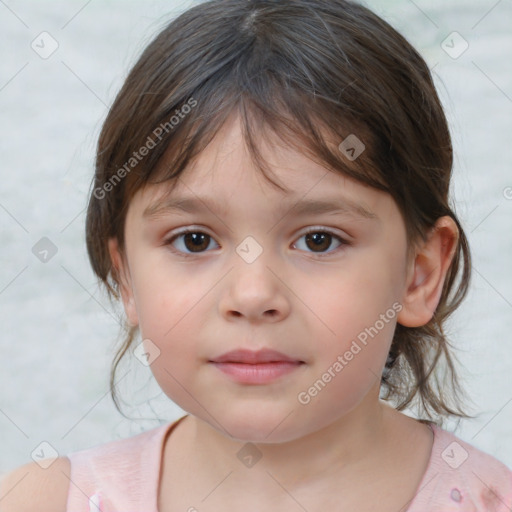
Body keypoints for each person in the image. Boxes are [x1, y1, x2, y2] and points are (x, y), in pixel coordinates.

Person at [1, 0, 511, 510]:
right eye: (194, 240)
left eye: (318, 240)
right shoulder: (42, 500)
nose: (252, 296)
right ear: (127, 277)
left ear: (418, 275)